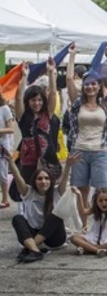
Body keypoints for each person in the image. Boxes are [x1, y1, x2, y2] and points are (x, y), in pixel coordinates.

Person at [66, 44, 107, 214]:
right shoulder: (77, 104)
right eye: (87, 84)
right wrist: (72, 55)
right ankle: (84, 225)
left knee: (103, 191)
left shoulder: (105, 104)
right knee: (81, 191)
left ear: (98, 85)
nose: (90, 87)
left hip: (100, 151)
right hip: (79, 150)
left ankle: (103, 224)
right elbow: (68, 80)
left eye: (93, 84)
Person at [9, 153, 80, 263]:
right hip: (33, 232)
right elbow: (17, 176)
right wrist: (10, 161)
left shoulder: (57, 192)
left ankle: (30, 248)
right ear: (34, 181)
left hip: (54, 238)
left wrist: (68, 165)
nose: (43, 181)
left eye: (46, 178)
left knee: (56, 215)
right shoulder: (29, 192)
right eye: (40, 179)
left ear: (51, 181)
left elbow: (64, 180)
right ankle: (35, 251)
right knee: (17, 218)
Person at [14, 61, 61, 198]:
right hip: (28, 160)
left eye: (40, 100)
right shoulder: (23, 117)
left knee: (49, 192)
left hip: (48, 158)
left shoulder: (48, 114)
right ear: (28, 101)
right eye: (33, 100)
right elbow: (18, 97)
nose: (37, 103)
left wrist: (51, 73)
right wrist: (24, 77)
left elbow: (52, 93)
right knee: (29, 192)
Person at [69, 185, 107, 257]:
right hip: (95, 237)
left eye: (106, 200)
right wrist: (79, 195)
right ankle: (98, 250)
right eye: (100, 201)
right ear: (96, 202)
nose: (104, 203)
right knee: (74, 238)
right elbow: (83, 212)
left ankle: (88, 249)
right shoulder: (95, 209)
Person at [0, 90, 16, 209]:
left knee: (2, 172)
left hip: (2, 145)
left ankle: (5, 199)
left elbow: (11, 129)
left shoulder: (4, 109)